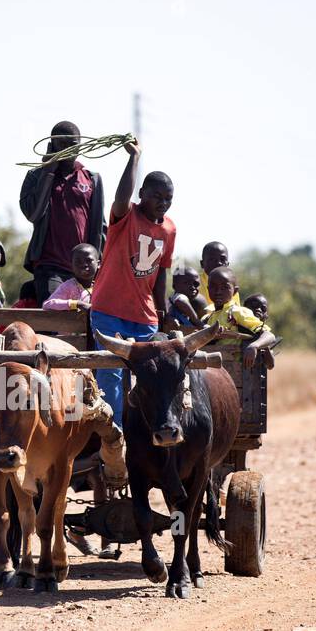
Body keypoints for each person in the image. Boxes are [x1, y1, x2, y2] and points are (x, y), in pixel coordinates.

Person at [88, 139, 176, 425]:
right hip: (109, 310)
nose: (162, 203)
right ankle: (116, 436)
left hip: (144, 316)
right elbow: (121, 197)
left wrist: (163, 314)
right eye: (156, 197)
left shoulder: (170, 229)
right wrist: (135, 158)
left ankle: (149, 431)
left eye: (168, 199)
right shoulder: (125, 216)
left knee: (152, 375)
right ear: (142, 195)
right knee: (111, 373)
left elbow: (162, 272)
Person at [19, 120, 107, 304]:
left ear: (80, 147)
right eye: (61, 144)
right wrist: (49, 171)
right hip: (49, 264)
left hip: (84, 267)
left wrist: (102, 264)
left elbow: (101, 228)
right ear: (51, 146)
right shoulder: (35, 176)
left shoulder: (92, 179)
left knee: (86, 323)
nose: (67, 149)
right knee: (55, 316)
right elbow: (33, 214)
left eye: (72, 145)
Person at [203, 268, 278, 368]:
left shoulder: (237, 312)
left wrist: (253, 346)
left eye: (225, 287)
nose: (218, 291)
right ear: (208, 289)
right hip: (211, 368)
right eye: (213, 287)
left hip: (233, 370)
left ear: (235, 291)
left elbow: (269, 335)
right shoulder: (208, 317)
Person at [42, 243, 98, 311]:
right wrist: (77, 304)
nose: (84, 265)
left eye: (89, 260)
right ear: (71, 266)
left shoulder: (100, 288)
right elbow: (48, 304)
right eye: (78, 262)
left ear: (99, 264)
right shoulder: (69, 286)